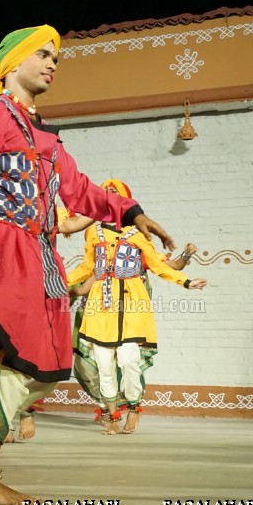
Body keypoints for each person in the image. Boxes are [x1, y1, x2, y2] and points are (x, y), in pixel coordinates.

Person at [0, 25, 177, 505]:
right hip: (3, 248)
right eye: (43, 55)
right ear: (13, 63)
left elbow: (80, 190)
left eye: (56, 58)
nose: (52, 63)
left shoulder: (41, 134)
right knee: (20, 359)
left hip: (39, 253)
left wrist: (132, 212)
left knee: (44, 364)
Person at [66, 178, 206, 434]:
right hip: (100, 305)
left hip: (131, 304)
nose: (108, 197)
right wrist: (58, 282)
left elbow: (159, 265)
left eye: (114, 194)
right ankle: (112, 415)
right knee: (104, 365)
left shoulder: (137, 234)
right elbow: (87, 267)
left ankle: (133, 408)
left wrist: (186, 282)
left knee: (129, 361)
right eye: (104, 193)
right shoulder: (92, 232)